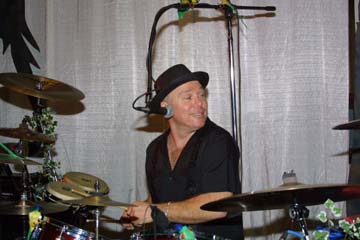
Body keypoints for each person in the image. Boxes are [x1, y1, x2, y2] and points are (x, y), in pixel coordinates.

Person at [121, 64, 243, 239]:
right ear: (166, 108)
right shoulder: (154, 149)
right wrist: (137, 212)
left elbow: (217, 207)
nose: (200, 103)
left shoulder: (218, 141)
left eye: (201, 95)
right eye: (188, 97)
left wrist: (154, 211)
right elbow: (159, 197)